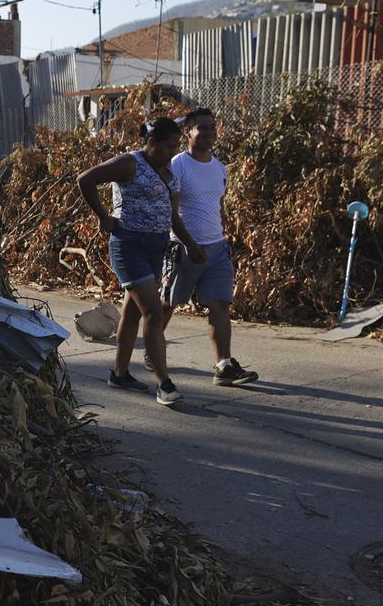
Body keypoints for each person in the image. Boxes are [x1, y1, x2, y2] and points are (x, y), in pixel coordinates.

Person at [76, 117, 198, 406]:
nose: (173, 152)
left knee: (132, 313)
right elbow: (85, 179)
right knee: (154, 313)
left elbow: (172, 216)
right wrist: (103, 217)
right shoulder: (131, 163)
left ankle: (119, 373)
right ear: (152, 142)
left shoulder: (168, 174)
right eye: (169, 146)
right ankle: (164, 384)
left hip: (156, 248)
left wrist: (191, 245)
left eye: (176, 146)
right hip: (129, 246)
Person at [150, 108, 259, 386]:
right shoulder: (178, 165)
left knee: (220, 305)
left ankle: (223, 366)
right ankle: (153, 350)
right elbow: (171, 212)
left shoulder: (219, 168)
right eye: (202, 128)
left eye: (212, 127)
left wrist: (222, 240)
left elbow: (216, 207)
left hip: (216, 249)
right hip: (183, 249)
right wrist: (189, 244)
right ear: (188, 132)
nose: (209, 132)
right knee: (167, 304)